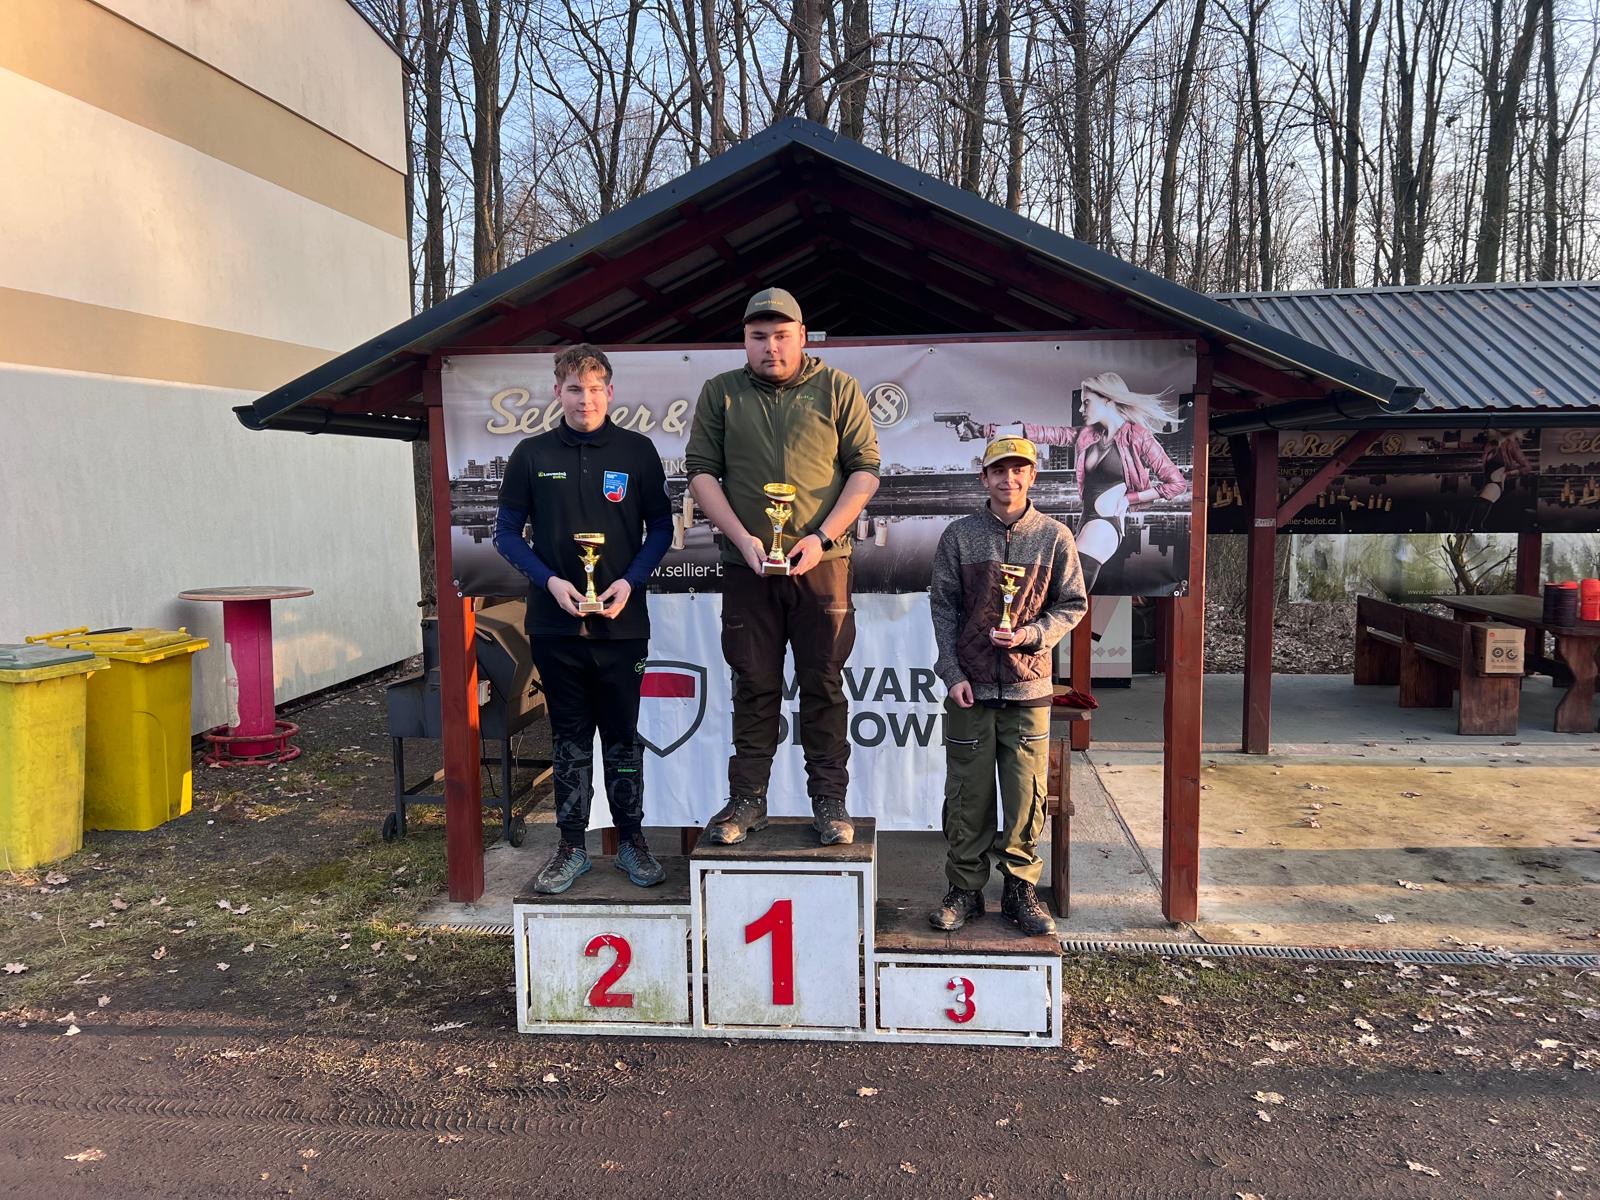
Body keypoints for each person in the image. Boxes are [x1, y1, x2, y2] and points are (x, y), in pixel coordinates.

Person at [684, 288, 880, 846]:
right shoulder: (720, 392)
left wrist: (822, 536)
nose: (770, 347)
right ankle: (747, 800)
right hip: (747, 565)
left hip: (823, 564)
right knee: (753, 682)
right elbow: (701, 472)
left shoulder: (838, 388)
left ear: (802, 336)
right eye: (759, 337)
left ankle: (830, 802)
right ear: (744, 341)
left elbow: (865, 471)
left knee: (824, 683)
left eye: (781, 336)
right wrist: (741, 538)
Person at [493, 344, 674, 893]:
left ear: (610, 393)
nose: (585, 399)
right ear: (558, 392)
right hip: (554, 626)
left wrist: (629, 581)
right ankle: (571, 846)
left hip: (622, 625)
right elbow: (506, 534)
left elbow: (662, 529)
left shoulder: (638, 451)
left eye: (595, 389)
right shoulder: (531, 454)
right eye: (574, 389)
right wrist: (550, 581)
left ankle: (632, 843)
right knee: (569, 738)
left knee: (622, 737)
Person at [928, 436, 1087, 935]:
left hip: (1028, 689)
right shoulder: (959, 536)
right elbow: (943, 607)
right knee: (966, 796)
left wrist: (1030, 636)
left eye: (1019, 470)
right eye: (999, 470)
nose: (1009, 479)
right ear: (984, 477)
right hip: (970, 691)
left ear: (1033, 476)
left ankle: (1020, 890)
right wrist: (952, 673)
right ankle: (964, 890)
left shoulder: (1055, 537)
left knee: (1026, 797)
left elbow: (1073, 604)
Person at [1464, 430, 1530, 530]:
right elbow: (1468, 445)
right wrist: (1445, 445)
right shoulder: (1490, 445)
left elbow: (1527, 467)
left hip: (1497, 483)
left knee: (1476, 520)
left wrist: (1507, 474)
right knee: (1471, 515)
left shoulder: (1511, 446)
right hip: (1488, 482)